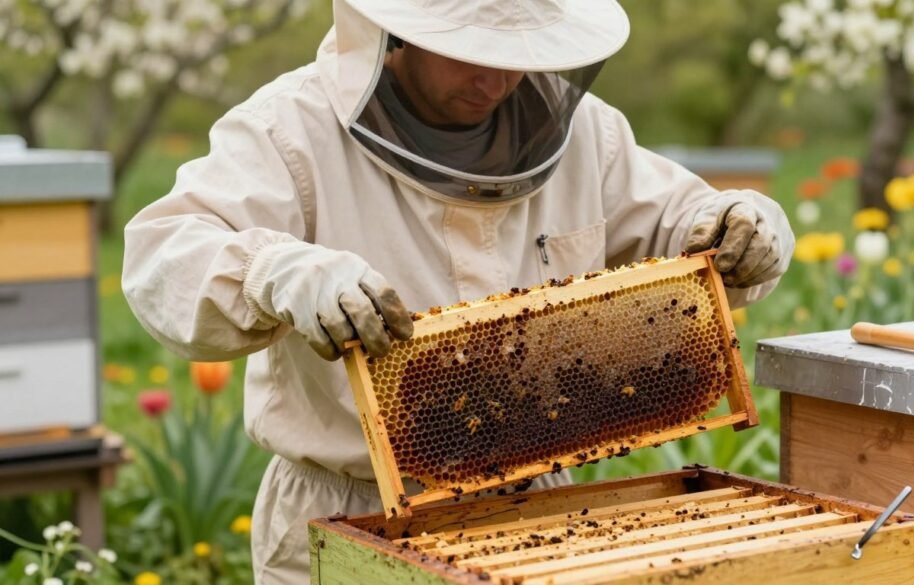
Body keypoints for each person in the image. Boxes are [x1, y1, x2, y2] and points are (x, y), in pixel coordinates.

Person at [122, 0, 795, 582]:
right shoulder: (287, 131)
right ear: (397, 36)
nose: (498, 77)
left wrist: (740, 223)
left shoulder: (587, 134)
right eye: (471, 50)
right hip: (349, 507)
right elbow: (163, 255)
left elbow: (687, 225)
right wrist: (273, 270)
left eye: (516, 50)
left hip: (539, 504)